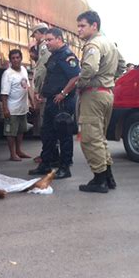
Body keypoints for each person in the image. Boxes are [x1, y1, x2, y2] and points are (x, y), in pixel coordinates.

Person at [76, 10, 125, 193]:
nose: (79, 30)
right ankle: (108, 176)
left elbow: (89, 68)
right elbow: (122, 64)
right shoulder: (109, 43)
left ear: (94, 26)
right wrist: (109, 80)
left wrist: (81, 84)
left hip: (94, 95)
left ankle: (100, 179)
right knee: (100, 138)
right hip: (106, 93)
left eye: (82, 26)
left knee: (90, 138)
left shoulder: (93, 45)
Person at [28, 28, 80, 179]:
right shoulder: (54, 56)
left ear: (59, 39)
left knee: (63, 135)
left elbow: (75, 76)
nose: (47, 43)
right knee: (47, 134)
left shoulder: (67, 55)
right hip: (51, 100)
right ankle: (45, 164)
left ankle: (65, 167)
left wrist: (63, 93)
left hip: (62, 102)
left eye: (50, 40)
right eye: (46, 40)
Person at [30, 23, 60, 166]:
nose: (34, 38)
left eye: (35, 35)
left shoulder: (43, 47)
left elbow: (42, 70)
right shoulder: (49, 49)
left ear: (39, 33)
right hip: (52, 89)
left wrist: (37, 89)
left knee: (46, 126)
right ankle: (51, 154)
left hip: (46, 90)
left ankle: (48, 155)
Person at [1, 49, 32, 161]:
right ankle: (12, 153)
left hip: (23, 108)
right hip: (12, 108)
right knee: (11, 132)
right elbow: (4, 94)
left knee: (21, 130)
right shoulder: (7, 74)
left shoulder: (23, 70)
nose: (15, 60)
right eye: (13, 58)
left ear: (21, 58)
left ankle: (19, 150)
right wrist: (5, 109)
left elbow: (27, 87)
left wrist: (31, 101)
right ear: (10, 60)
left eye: (17, 57)